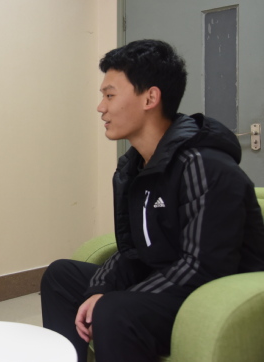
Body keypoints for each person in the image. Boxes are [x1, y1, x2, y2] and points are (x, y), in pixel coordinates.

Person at [40, 40, 264, 362]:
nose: (101, 107)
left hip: (211, 293)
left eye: (110, 95)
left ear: (150, 98)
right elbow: (133, 252)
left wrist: (116, 299)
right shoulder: (134, 167)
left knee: (113, 310)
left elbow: (202, 267)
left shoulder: (204, 165)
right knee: (61, 276)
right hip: (168, 282)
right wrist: (98, 290)